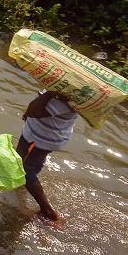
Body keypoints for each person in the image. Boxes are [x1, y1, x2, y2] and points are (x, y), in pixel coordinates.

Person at [18, 90, 78, 222]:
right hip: (44, 134)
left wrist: (49, 93)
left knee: (22, 169)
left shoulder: (66, 99)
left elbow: (34, 111)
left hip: (40, 138)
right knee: (30, 163)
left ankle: (48, 212)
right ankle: (24, 185)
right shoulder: (69, 93)